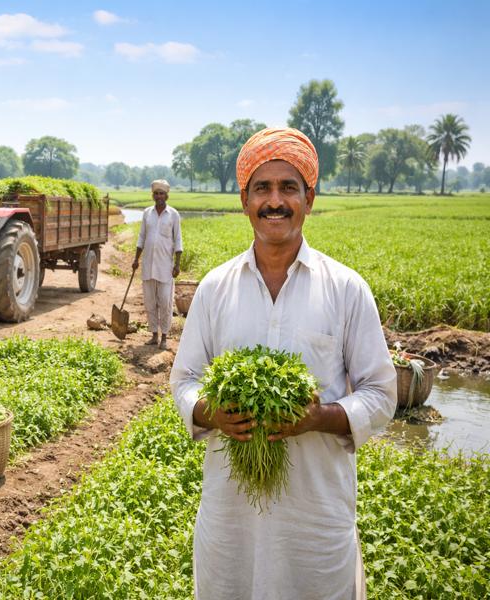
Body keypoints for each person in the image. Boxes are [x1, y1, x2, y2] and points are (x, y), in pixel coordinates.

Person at [170, 127, 396, 600]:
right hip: (232, 519)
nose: (276, 201)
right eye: (263, 188)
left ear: (309, 199)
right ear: (244, 201)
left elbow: (380, 392)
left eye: (288, 187)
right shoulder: (214, 288)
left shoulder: (346, 288)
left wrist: (320, 417)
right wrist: (211, 413)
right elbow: (185, 380)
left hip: (314, 519)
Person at [131, 179, 183, 350]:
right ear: (153, 195)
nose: (159, 196)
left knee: (165, 302)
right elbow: (142, 237)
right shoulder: (147, 213)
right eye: (156, 193)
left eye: (162, 193)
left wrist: (177, 265)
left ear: (166, 195)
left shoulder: (173, 214)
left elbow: (178, 241)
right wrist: (136, 259)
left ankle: (165, 337)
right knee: (150, 301)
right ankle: (154, 335)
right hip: (148, 265)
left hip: (165, 267)